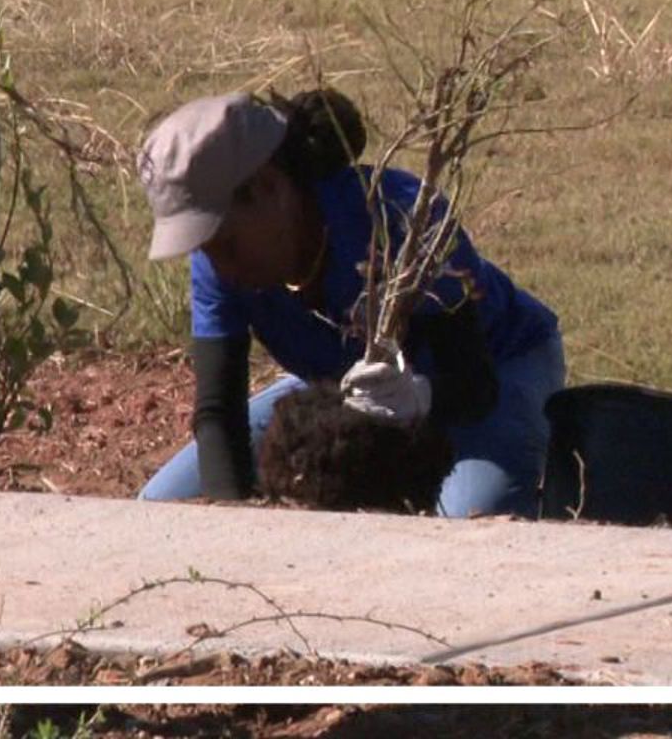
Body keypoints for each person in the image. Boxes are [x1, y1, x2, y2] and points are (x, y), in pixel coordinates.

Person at [136, 89, 564, 519]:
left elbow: (475, 387)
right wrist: (233, 523)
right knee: (164, 511)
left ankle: (564, 463)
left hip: (498, 367)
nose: (218, 265)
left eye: (224, 244)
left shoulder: (401, 219)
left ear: (270, 187)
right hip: (344, 386)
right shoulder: (217, 257)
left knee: (472, 519)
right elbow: (218, 414)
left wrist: (420, 395)